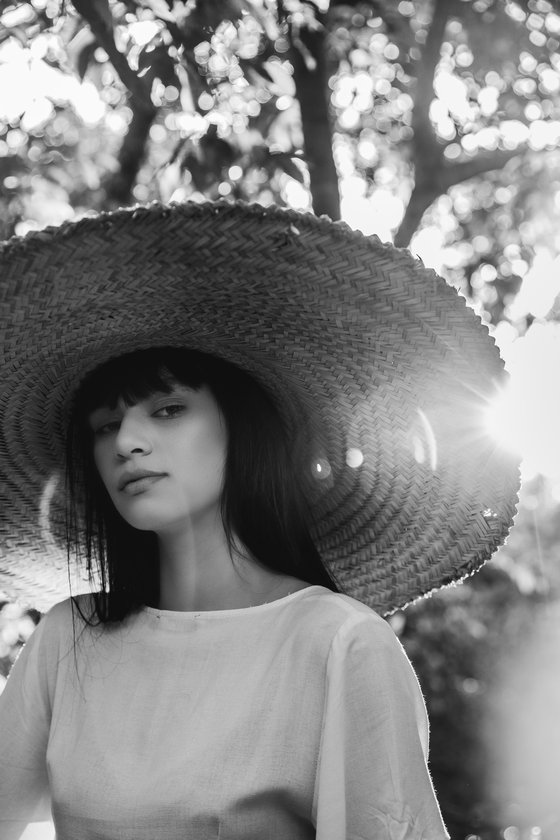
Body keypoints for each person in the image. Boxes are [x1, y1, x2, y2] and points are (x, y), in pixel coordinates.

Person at [0, 200, 519, 839]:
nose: (125, 443)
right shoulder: (66, 640)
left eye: (166, 409)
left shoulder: (337, 644)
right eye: (105, 424)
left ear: (243, 429)